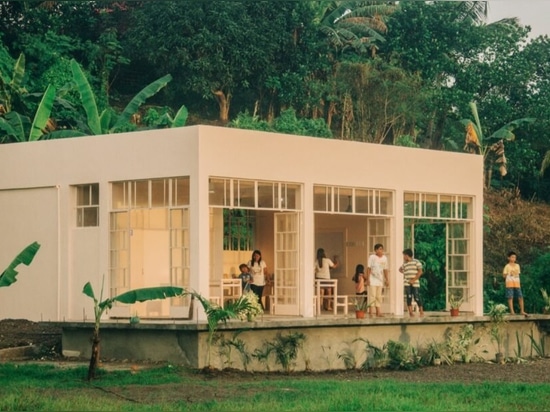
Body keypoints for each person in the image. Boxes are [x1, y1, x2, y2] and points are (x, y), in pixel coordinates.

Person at [399, 249, 424, 317]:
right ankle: (410, 312)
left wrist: (413, 280)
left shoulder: (416, 262)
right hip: (407, 283)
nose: (403, 257)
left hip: (415, 282)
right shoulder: (404, 264)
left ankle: (421, 311)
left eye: (404, 255)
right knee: (409, 297)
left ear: (407, 255)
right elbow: (400, 269)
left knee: (416, 297)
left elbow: (420, 272)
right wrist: (405, 273)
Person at [502, 251, 528, 317]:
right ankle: (512, 311)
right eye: (512, 257)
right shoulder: (507, 266)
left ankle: (522, 310)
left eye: (515, 257)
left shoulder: (517, 265)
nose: (514, 259)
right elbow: (504, 275)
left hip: (516, 283)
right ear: (509, 258)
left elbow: (518, 273)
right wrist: (509, 274)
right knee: (510, 297)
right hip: (509, 283)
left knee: (520, 296)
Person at [366, 243, 389, 317]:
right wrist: (368, 278)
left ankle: (378, 312)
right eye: (379, 249)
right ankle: (371, 312)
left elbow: (385, 269)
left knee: (378, 296)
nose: (380, 250)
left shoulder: (384, 258)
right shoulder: (372, 257)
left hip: (380, 279)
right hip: (372, 279)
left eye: (381, 249)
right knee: (372, 295)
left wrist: (387, 279)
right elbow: (369, 268)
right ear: (375, 250)